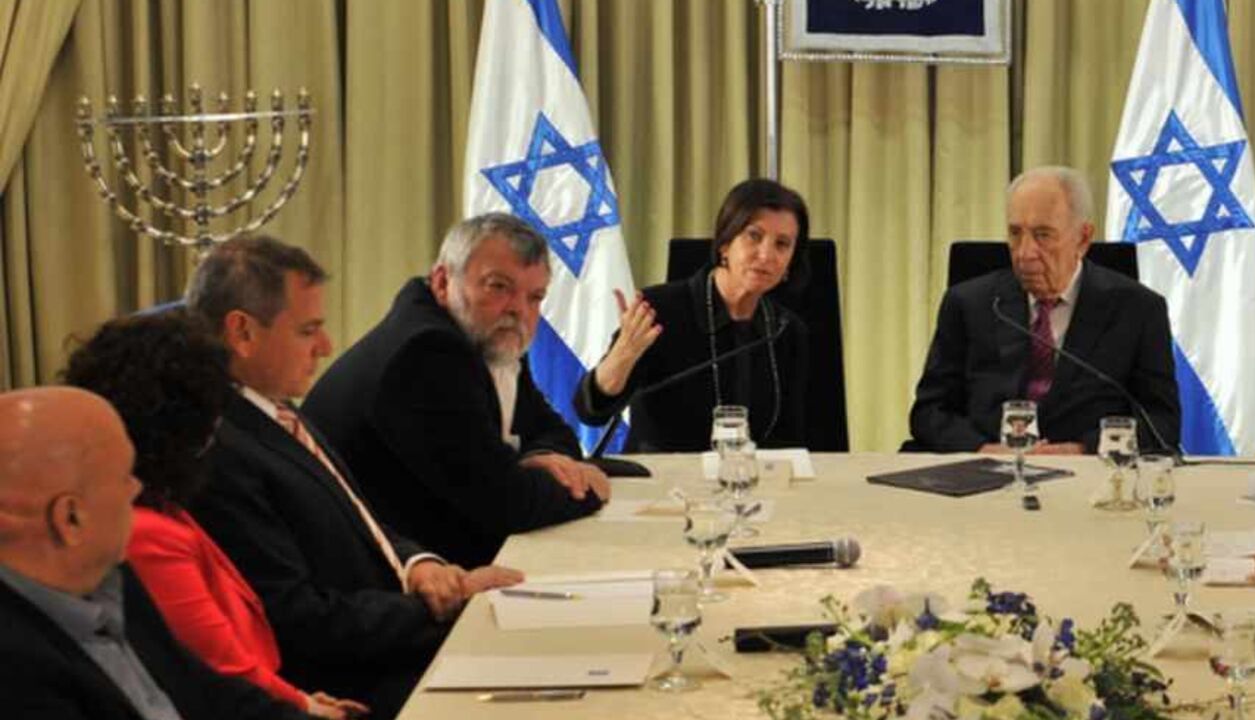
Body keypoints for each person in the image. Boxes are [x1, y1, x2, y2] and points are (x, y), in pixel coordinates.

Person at [183, 236, 522, 720]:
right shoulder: (219, 448)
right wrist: (444, 604)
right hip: (355, 688)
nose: (326, 346)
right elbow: (298, 619)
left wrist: (418, 564)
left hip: (391, 647)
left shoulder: (273, 411)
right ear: (242, 332)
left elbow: (362, 523)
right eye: (308, 330)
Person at [62, 311, 367, 719]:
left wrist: (299, 698)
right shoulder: (145, 531)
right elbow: (220, 663)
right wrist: (303, 705)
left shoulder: (160, 502)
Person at [304, 213, 609, 569]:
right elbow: (506, 505)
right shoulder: (426, 353)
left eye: (535, 297)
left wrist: (535, 460)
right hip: (382, 580)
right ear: (442, 281)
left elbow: (551, 431)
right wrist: (585, 486)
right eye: (498, 287)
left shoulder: (489, 338)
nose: (518, 310)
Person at [0, 387, 308, 720]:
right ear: (69, 518)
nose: (136, 488)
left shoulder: (109, 578)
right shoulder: (16, 674)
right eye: (124, 476)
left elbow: (209, 692)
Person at [906, 166, 1180, 453]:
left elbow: (1162, 421)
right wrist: (982, 449)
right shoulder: (969, 304)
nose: (1025, 253)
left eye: (1043, 235)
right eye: (1015, 233)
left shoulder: (1138, 310)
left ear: (1083, 238)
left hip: (1089, 478)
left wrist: (1081, 449)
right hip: (985, 474)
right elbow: (928, 413)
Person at [574, 178, 811, 452]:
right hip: (663, 486)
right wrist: (622, 356)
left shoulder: (786, 330)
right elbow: (591, 412)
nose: (766, 254)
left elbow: (790, 440)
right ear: (725, 243)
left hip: (751, 484)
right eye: (754, 236)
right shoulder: (657, 311)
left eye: (782, 244)